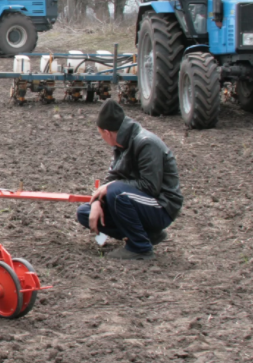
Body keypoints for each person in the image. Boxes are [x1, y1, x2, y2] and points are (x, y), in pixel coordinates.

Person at [76, 99, 183, 260]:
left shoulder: (146, 144)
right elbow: (112, 176)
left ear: (107, 132)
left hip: (162, 206)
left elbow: (150, 186)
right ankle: (147, 234)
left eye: (101, 134)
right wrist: (98, 201)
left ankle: (140, 247)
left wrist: (111, 187)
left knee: (117, 193)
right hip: (138, 201)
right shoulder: (121, 144)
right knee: (85, 212)